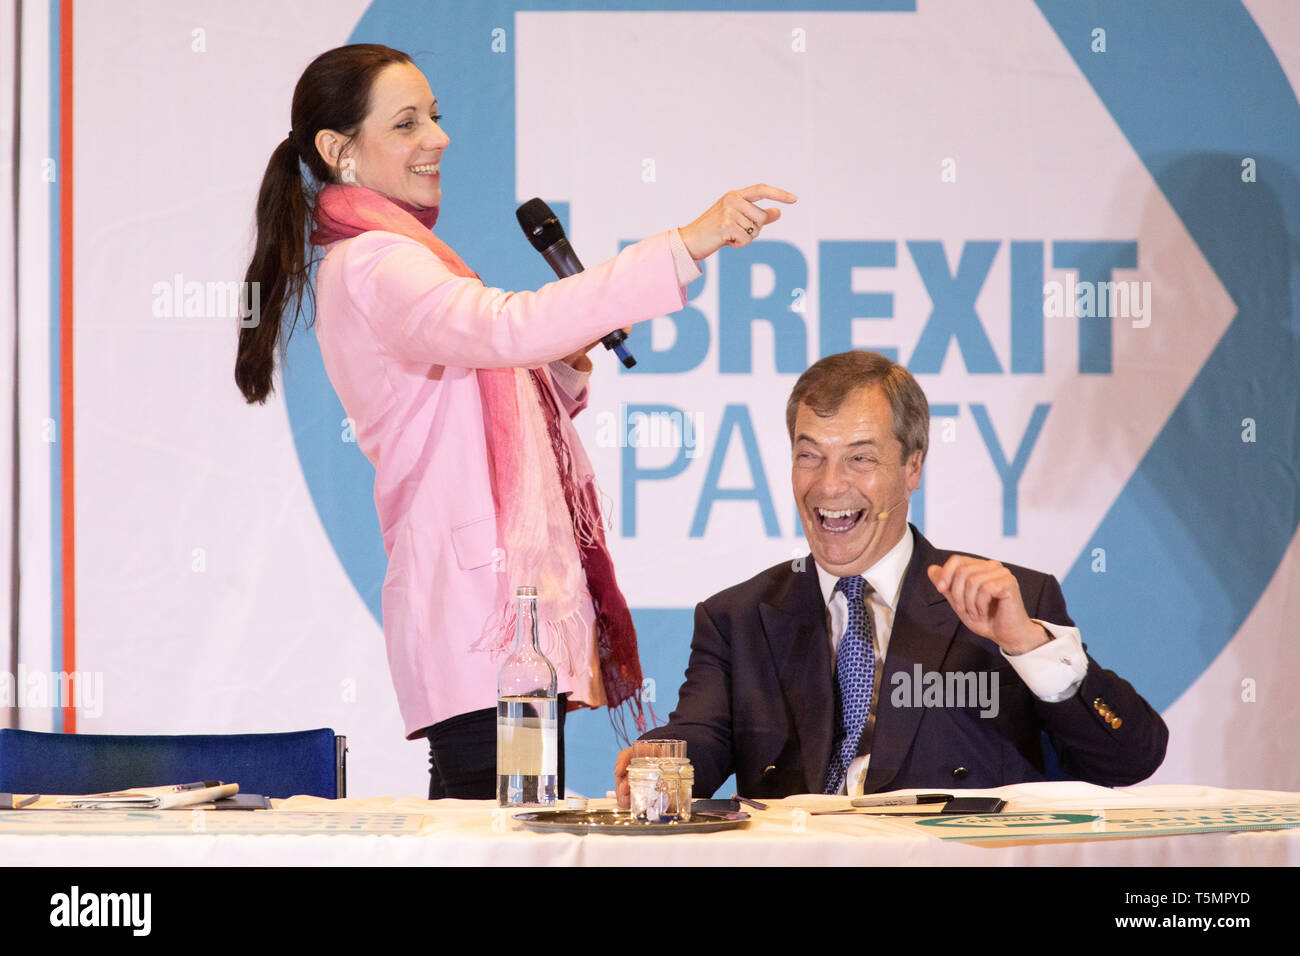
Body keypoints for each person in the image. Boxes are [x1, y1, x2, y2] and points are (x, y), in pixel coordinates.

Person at [233, 43, 796, 798]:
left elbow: (487, 377)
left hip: (504, 617)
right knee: (494, 828)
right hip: (482, 619)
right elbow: (504, 329)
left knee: (517, 824)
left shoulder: (399, 256)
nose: (438, 138)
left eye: (434, 116)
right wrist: (687, 243)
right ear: (340, 151)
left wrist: (563, 356)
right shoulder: (376, 263)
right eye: (406, 124)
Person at [615, 350, 1169, 801]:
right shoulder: (736, 618)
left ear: (913, 468)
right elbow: (701, 739)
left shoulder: (1010, 604)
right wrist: (659, 759)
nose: (829, 486)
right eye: (810, 456)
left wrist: (1028, 645)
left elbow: (1130, 759)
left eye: (860, 459)